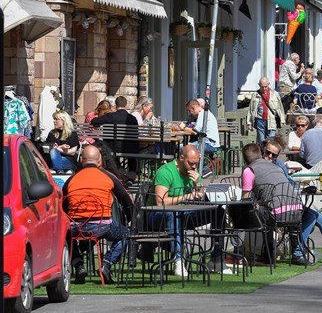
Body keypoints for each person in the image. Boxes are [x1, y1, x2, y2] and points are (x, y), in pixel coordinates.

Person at [261, 139, 322, 267]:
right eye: (267, 152)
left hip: (286, 205)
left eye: (274, 155)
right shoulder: (258, 167)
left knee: (317, 215)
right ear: (262, 150)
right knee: (314, 215)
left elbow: (289, 183)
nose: (269, 156)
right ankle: (299, 253)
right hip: (273, 209)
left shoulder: (280, 165)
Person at [147, 145, 231, 275]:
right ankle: (178, 260)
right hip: (158, 216)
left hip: (184, 213)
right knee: (173, 213)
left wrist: (198, 185)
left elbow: (200, 195)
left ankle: (217, 258)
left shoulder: (194, 174)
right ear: (181, 158)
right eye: (191, 163)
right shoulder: (165, 172)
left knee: (218, 211)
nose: (193, 167)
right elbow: (160, 202)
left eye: (196, 164)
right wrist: (187, 196)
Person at [62, 145, 132, 284]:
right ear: (100, 160)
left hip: (76, 226)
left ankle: (78, 264)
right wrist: (129, 219)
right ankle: (107, 264)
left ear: (81, 160)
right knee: (126, 234)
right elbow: (125, 199)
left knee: (66, 236)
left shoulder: (71, 179)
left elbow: (63, 205)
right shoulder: (108, 176)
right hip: (102, 226)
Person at [91, 95, 139, 171]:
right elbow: (136, 134)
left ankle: (117, 171)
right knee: (132, 154)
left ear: (116, 106)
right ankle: (131, 175)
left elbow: (94, 121)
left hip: (112, 147)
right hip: (129, 148)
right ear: (126, 105)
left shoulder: (111, 116)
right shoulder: (132, 119)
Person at [247, 76, 285, 143]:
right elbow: (251, 109)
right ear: (259, 85)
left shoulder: (275, 94)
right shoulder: (255, 95)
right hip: (260, 120)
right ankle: (263, 152)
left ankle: (269, 153)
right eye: (262, 87)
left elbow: (280, 108)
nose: (264, 88)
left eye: (265, 86)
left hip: (271, 120)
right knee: (261, 141)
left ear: (268, 84)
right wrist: (249, 122)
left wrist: (282, 120)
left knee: (271, 140)